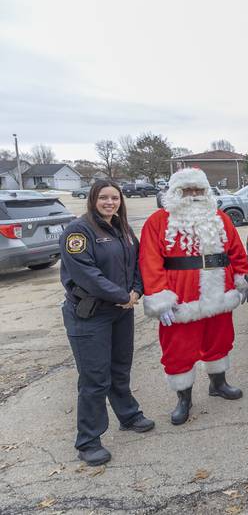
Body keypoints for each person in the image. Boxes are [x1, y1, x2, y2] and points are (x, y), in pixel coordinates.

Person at [139, 168, 248, 425]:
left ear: (206, 192)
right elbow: (150, 261)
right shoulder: (158, 222)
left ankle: (218, 384)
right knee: (179, 349)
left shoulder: (220, 217)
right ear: (175, 193)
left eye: (198, 190)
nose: (193, 196)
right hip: (181, 299)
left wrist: (242, 277)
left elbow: (236, 250)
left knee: (220, 340)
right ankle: (184, 399)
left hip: (219, 293)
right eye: (187, 191)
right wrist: (158, 296)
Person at [60, 180, 154, 466]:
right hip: (90, 316)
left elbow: (137, 263)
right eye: (104, 198)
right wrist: (122, 295)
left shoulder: (123, 228)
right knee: (94, 378)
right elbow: (87, 275)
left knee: (120, 367)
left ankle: (128, 415)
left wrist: (137, 290)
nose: (110, 202)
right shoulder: (78, 231)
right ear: (93, 199)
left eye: (114, 198)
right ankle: (88, 441)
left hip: (121, 311)